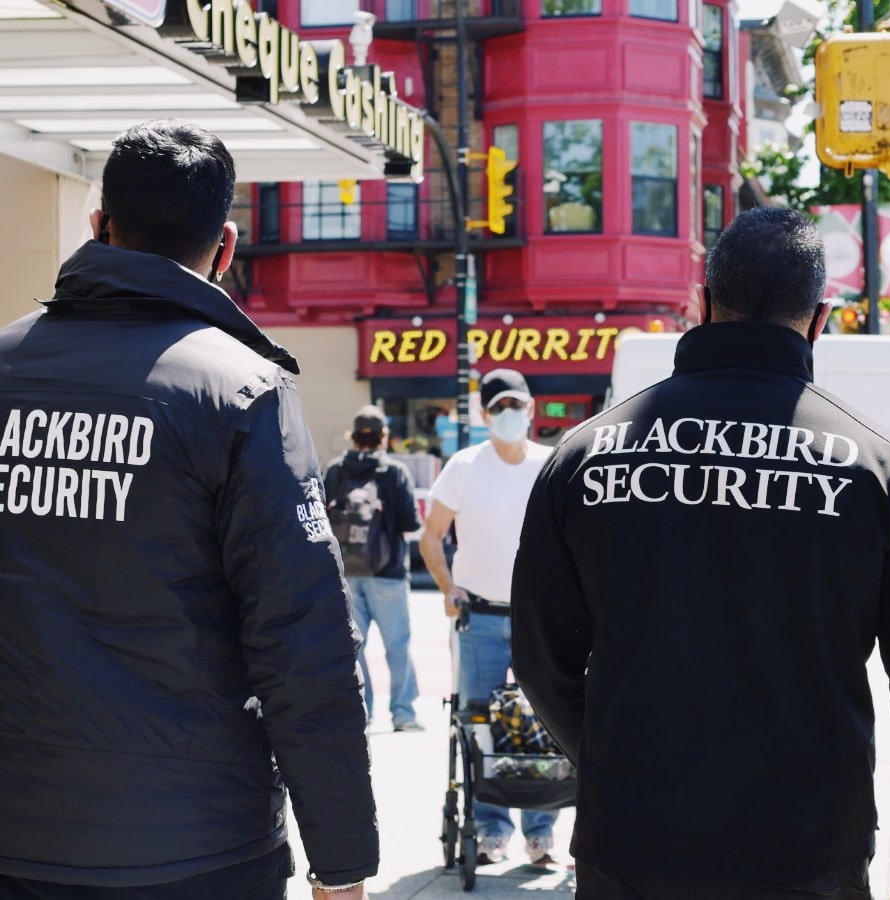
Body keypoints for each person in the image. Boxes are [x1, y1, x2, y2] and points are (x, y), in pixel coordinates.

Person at [0, 120, 377, 899]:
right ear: (226, 247)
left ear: (99, 226)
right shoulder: (243, 392)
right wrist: (341, 859)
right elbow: (301, 640)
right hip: (196, 843)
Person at [511, 206, 890, 899]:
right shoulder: (873, 470)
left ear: (701, 303)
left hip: (633, 840)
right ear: (821, 317)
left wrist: (614, 762)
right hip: (809, 845)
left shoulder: (582, 457)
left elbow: (542, 661)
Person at [419, 368, 560, 866]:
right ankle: (491, 832)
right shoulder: (464, 466)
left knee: (546, 723)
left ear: (531, 409)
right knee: (478, 725)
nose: (508, 415)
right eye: (498, 407)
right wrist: (446, 587)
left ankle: (541, 834)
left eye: (516, 405)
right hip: (478, 618)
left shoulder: (551, 465)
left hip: (536, 620)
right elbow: (431, 535)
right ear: (484, 415)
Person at [323, 404, 424, 732]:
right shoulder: (394, 473)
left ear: (352, 436)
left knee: (354, 647)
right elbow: (410, 524)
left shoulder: (336, 470)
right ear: (384, 437)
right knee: (397, 645)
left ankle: (361, 712)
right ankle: (404, 713)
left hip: (347, 575)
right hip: (389, 573)